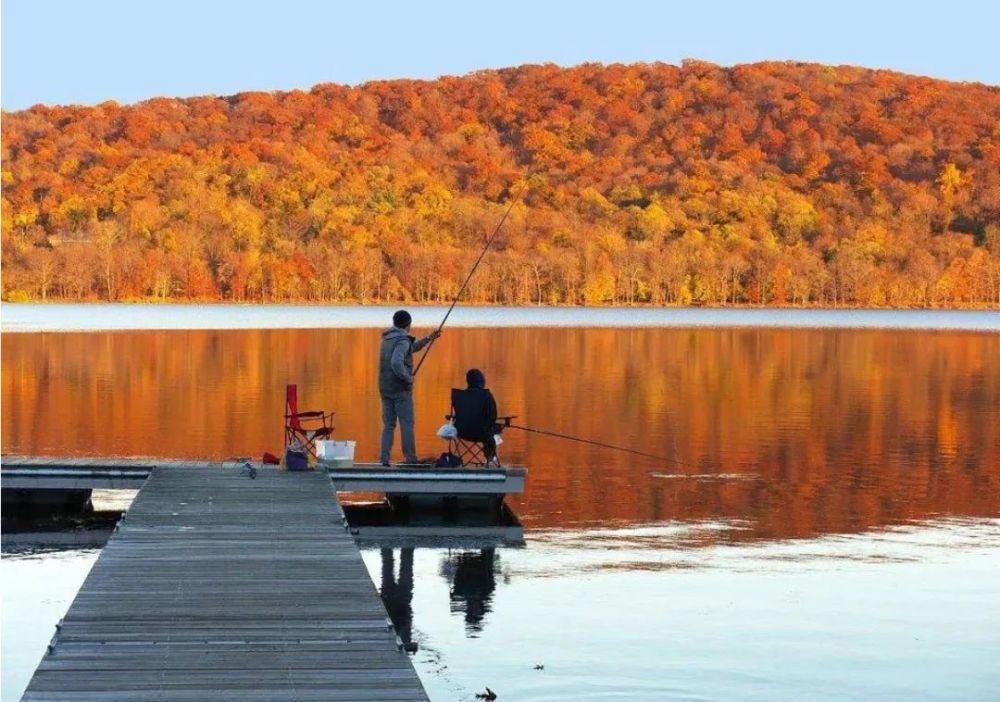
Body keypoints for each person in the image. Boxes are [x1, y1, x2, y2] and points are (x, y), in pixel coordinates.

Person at [379, 310, 440, 466]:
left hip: (385, 388)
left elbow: (411, 348)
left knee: (389, 425)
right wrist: (407, 377)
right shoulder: (403, 340)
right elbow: (396, 362)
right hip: (400, 389)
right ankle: (410, 459)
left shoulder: (388, 338)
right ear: (408, 324)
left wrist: (429, 338)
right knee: (407, 424)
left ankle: (384, 459)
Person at [454, 368, 503, 465]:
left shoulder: (459, 395)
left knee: (487, 428)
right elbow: (492, 416)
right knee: (492, 429)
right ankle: (490, 458)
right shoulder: (486, 395)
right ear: (481, 381)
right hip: (483, 433)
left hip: (462, 432)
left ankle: (460, 462)